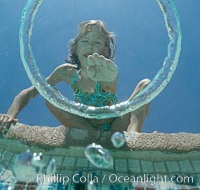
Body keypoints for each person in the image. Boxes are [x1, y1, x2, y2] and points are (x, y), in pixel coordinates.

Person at [0, 20, 150, 134]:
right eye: (84, 41)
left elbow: (109, 85)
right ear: (75, 48)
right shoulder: (66, 72)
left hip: (116, 125)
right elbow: (28, 93)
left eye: (97, 42)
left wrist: (110, 80)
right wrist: (9, 115)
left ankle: (133, 135)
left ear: (105, 51)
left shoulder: (106, 72)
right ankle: (91, 137)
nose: (90, 46)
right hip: (84, 126)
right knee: (49, 94)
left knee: (145, 84)